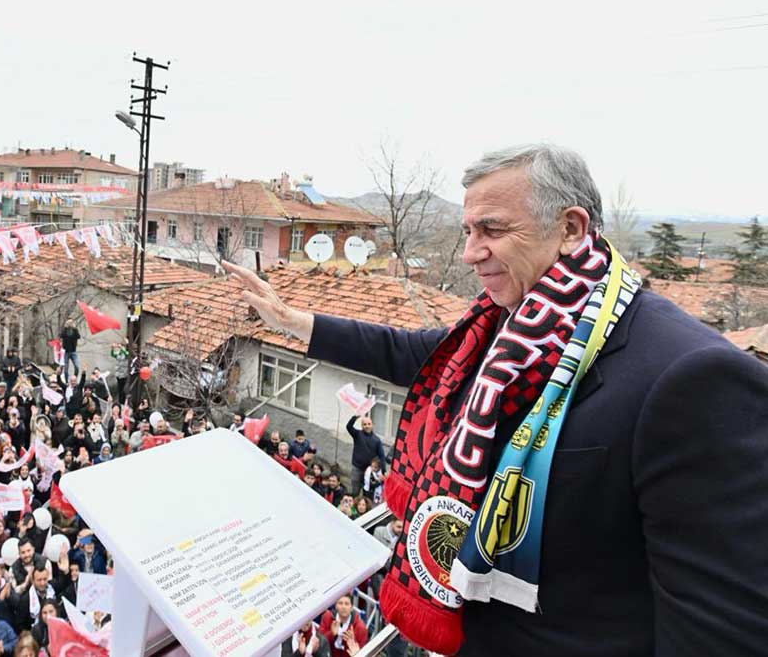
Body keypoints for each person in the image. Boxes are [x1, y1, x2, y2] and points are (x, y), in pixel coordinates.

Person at [225, 143, 768, 656]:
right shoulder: (510, 326)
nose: (469, 253)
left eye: (492, 229)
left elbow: (717, 631)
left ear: (570, 229)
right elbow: (411, 353)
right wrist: (291, 321)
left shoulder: (693, 377)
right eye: (467, 231)